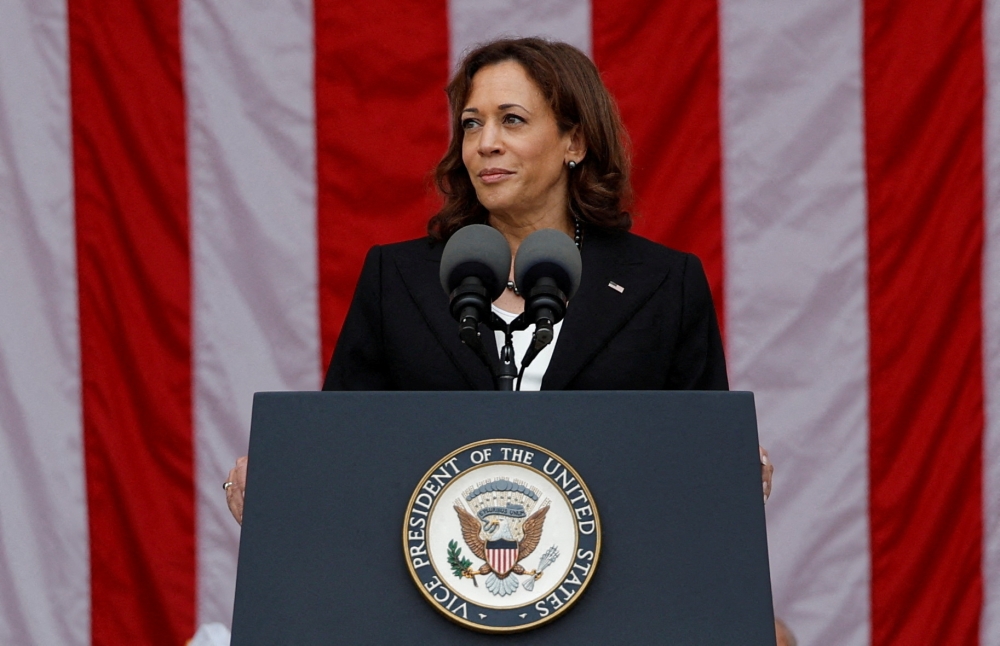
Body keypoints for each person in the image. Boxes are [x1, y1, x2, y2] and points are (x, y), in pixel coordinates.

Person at [224, 37, 773, 523]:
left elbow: (696, 450)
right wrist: (278, 480)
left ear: (573, 143)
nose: (485, 143)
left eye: (511, 119)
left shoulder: (662, 283)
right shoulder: (399, 278)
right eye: (471, 123)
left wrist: (729, 465)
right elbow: (344, 445)